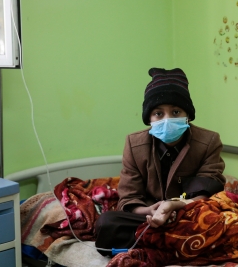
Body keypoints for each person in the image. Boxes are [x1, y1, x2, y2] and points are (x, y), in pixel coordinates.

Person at [95, 67, 226, 256]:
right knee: (107, 223)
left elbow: (208, 191)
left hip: (189, 214)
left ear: (187, 115)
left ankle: (157, 242)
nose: (167, 119)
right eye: (158, 113)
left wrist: (175, 206)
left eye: (175, 112)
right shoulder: (134, 144)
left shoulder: (208, 142)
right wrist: (150, 210)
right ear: (148, 118)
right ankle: (176, 244)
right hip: (146, 217)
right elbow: (129, 197)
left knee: (225, 221)